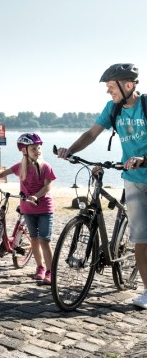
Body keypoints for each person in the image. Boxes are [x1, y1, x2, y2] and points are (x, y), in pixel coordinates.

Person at [56, 63, 147, 309]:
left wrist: (143, 159)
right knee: (140, 237)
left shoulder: (146, 106)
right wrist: (70, 150)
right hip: (134, 179)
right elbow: (92, 133)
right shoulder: (112, 109)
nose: (108, 92)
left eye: (111, 86)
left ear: (128, 85)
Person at [0, 133, 56, 285]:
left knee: (44, 240)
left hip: (44, 208)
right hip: (28, 209)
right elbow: (3, 173)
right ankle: (40, 267)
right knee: (34, 240)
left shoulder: (45, 166)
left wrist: (36, 196)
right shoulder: (20, 167)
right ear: (24, 151)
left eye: (39, 148)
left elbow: (48, 186)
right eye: (33, 148)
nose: (37, 151)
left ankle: (50, 271)